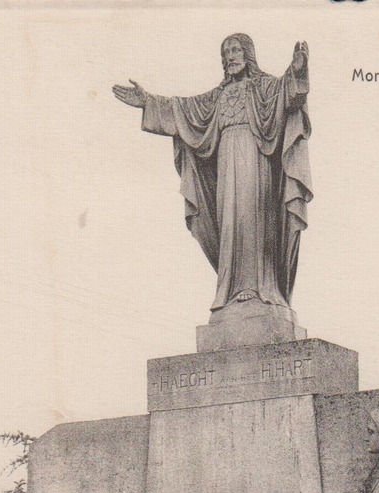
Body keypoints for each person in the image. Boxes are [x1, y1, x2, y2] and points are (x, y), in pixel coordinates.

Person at [112, 34, 311, 313]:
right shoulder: (218, 96)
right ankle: (232, 288)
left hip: (257, 161)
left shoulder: (264, 86)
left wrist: (298, 70)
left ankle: (260, 288)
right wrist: (148, 101)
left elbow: (288, 93)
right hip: (226, 165)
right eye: (226, 52)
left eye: (236, 50)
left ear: (248, 54)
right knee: (229, 222)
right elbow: (182, 110)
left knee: (252, 218)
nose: (230, 56)